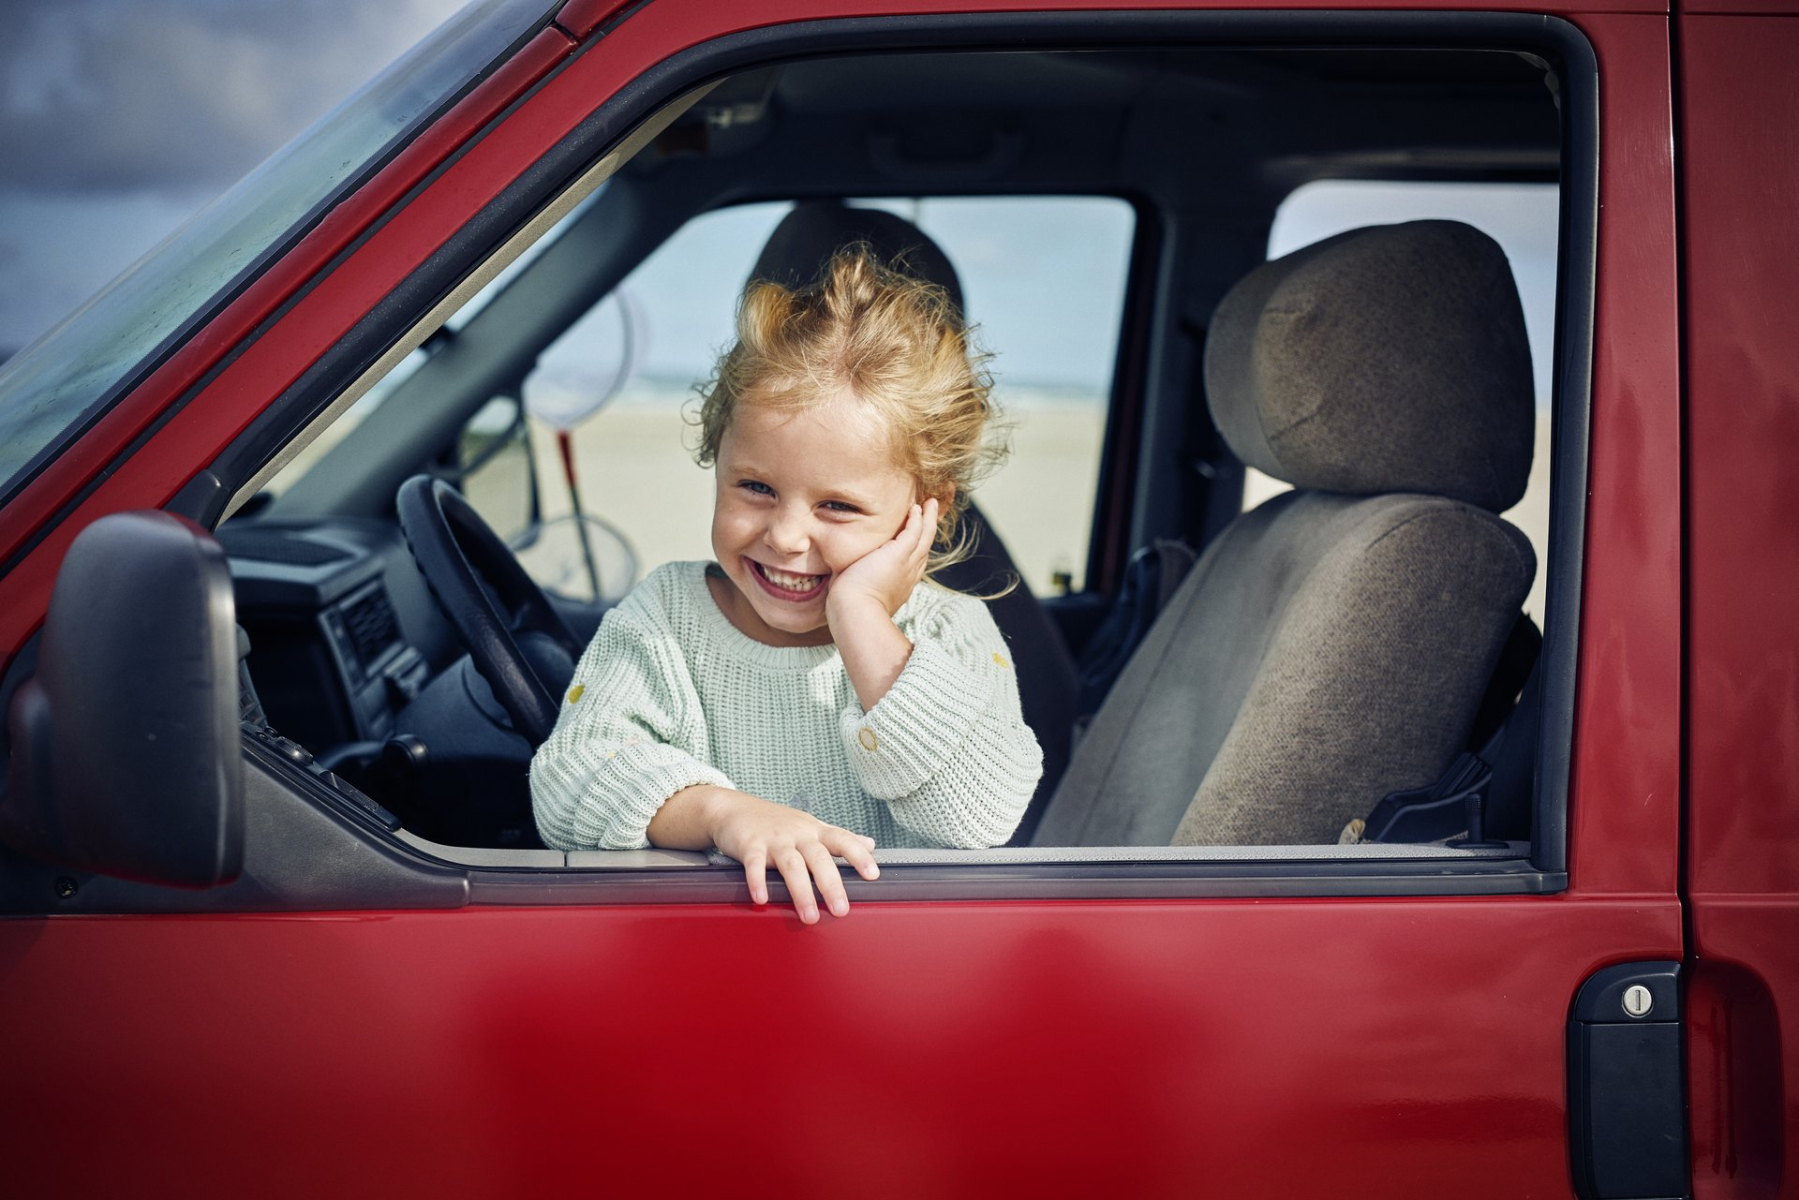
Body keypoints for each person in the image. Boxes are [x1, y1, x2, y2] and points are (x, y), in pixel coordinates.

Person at [529, 246, 1043, 923]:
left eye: (837, 506)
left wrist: (861, 617)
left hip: (898, 980)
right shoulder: (668, 619)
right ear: (718, 461)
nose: (785, 536)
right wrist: (722, 813)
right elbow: (569, 780)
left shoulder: (946, 632)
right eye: (755, 488)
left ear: (926, 511)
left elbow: (982, 814)